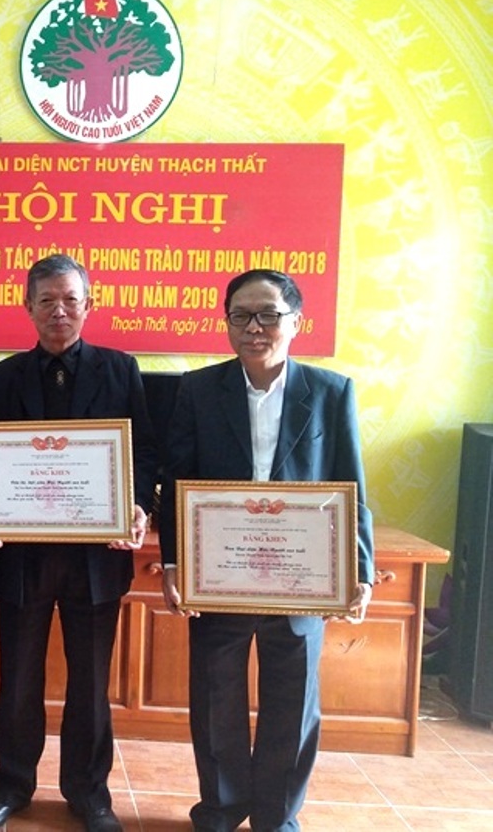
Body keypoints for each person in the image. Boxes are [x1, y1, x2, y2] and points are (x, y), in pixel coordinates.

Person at [156, 268, 374, 832]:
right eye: (241, 316)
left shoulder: (331, 392)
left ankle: (277, 817)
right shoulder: (198, 390)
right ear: (227, 323)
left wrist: (361, 569)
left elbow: (351, 485)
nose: (254, 327)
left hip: (301, 577)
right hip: (219, 573)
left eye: (269, 315)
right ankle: (222, 809)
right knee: (215, 698)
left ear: (296, 322)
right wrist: (174, 563)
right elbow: (177, 481)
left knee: (293, 702)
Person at [0, 254, 158, 832]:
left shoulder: (120, 370)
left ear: (88, 305)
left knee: (91, 684)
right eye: (46, 300)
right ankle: (10, 786)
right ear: (27, 307)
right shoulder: (1, 378)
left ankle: (89, 793)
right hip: (21, 557)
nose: (59, 311)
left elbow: (143, 452)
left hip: (96, 559)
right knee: (18, 680)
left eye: (71, 300)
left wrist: (138, 505)